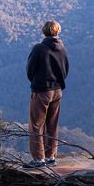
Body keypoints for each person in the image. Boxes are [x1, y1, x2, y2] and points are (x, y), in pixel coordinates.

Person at [25, 20, 69, 168]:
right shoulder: (62, 48)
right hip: (57, 90)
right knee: (52, 124)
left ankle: (38, 159)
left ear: (44, 31)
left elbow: (30, 70)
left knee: (36, 125)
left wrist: (37, 82)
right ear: (58, 31)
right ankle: (51, 157)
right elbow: (65, 69)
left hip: (42, 91)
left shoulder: (39, 48)